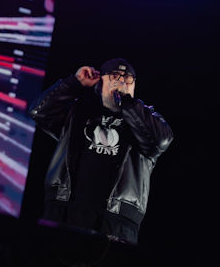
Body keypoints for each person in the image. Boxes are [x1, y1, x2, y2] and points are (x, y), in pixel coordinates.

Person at [28, 58, 173, 244]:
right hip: (64, 212)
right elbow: (39, 112)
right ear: (100, 82)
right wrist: (74, 83)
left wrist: (127, 103)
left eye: (127, 78)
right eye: (114, 76)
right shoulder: (77, 113)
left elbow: (161, 141)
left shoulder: (145, 120)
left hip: (116, 223)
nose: (121, 82)